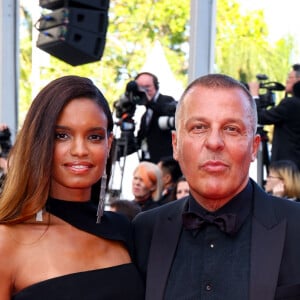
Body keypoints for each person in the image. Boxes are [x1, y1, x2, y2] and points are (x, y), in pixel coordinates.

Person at [133, 73, 300, 300]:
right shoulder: (145, 231)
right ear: (176, 145)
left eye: (231, 129)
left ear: (254, 147)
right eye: (199, 127)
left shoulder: (296, 227)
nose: (214, 142)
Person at [0, 75, 144, 299]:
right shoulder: (6, 240)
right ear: (38, 142)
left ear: (109, 143)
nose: (79, 150)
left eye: (94, 136)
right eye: (62, 135)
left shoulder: (124, 230)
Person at [249, 63, 300, 170]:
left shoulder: (291, 104)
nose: (287, 80)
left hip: (286, 168)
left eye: (290, 77)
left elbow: (261, 117)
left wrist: (254, 95)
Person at [135, 72, 177, 163]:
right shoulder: (145, 115)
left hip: (165, 164)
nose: (143, 91)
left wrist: (148, 101)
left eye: (147, 87)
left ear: (156, 87)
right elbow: (139, 140)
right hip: (147, 162)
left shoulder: (167, 101)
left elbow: (164, 109)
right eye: (139, 88)